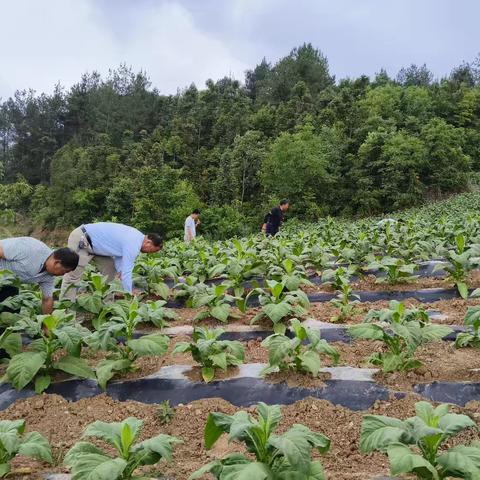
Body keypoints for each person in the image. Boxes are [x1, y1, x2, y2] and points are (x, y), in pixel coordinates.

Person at [60, 223, 162, 301]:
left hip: (97, 247)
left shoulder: (135, 237)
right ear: (148, 242)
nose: (150, 253)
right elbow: (127, 273)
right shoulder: (134, 243)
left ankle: (107, 305)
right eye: (152, 250)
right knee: (72, 276)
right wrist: (129, 295)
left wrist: (121, 271)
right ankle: (66, 312)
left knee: (110, 271)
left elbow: (118, 258)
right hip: (82, 239)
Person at [0, 237, 79, 314]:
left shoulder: (49, 277)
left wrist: (46, 325)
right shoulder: (30, 248)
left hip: (9, 283)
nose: (62, 275)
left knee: (10, 310)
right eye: (64, 271)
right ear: (57, 263)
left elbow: (47, 299)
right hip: (2, 275)